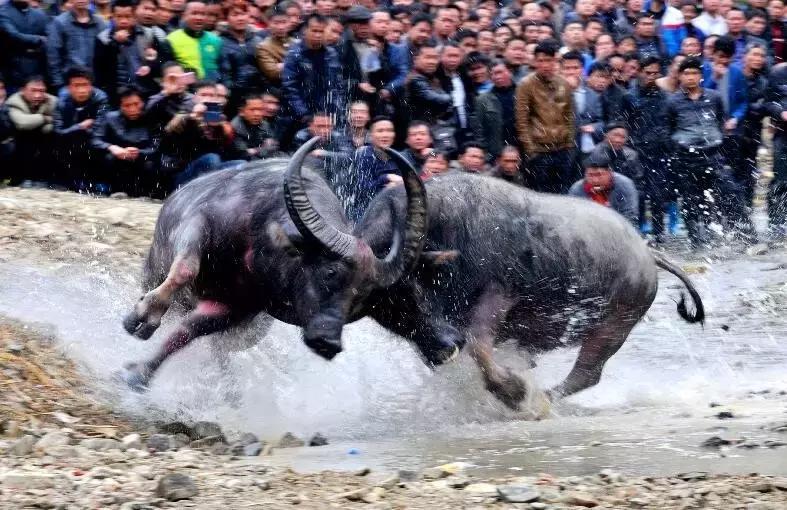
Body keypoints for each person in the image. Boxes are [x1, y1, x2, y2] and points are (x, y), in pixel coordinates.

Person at [666, 56, 727, 248]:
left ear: (700, 76)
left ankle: (712, 234)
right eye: (686, 73)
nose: (690, 77)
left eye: (694, 73)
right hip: (686, 158)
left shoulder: (714, 97)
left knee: (714, 196)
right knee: (690, 199)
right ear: (680, 76)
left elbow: (719, 123)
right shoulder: (673, 102)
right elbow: (669, 129)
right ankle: (695, 240)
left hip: (711, 155)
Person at [622, 55, 672, 241]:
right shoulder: (629, 97)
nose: (651, 76)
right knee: (638, 193)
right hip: (636, 151)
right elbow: (624, 123)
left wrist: (666, 142)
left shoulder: (665, 97)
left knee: (659, 193)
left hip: (659, 151)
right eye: (647, 72)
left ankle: (659, 231)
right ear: (640, 72)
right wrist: (630, 146)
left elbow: (668, 123)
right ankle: (640, 230)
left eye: (655, 73)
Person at [516, 39, 575, 193]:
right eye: (540, 60)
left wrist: (569, 145)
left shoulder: (564, 84)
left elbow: (569, 115)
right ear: (535, 62)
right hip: (539, 151)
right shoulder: (526, 85)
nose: (545, 65)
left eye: (548, 60)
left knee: (561, 193)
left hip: (562, 150)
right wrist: (531, 151)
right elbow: (522, 121)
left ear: (555, 60)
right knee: (540, 196)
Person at [162, 79, 238, 189]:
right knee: (211, 159)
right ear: (195, 97)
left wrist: (221, 129)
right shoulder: (183, 115)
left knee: (240, 165)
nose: (208, 98)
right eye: (203, 95)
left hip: (208, 172)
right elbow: (171, 140)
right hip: (182, 174)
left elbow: (229, 153)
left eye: (212, 95)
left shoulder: (218, 119)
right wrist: (194, 119)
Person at [94, 0, 172, 105]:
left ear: (134, 17)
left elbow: (164, 60)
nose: (123, 21)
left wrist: (150, 66)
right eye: (119, 17)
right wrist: (114, 43)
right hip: (117, 95)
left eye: (128, 16)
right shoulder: (103, 39)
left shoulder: (148, 35)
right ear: (112, 17)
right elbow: (100, 70)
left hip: (146, 93)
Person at [281, 14, 345, 128]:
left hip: (326, 114)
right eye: (314, 31)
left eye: (321, 31)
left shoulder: (331, 54)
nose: (318, 35)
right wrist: (304, 114)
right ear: (305, 30)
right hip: (298, 116)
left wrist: (334, 110)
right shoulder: (294, 54)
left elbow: (336, 85)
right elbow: (289, 87)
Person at [91, 86, 158, 196]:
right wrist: (112, 147)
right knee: (107, 157)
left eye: (136, 104)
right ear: (120, 106)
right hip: (116, 163)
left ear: (143, 102)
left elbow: (157, 147)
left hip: (142, 162)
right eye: (127, 105)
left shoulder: (152, 119)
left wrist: (139, 152)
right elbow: (95, 140)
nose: (132, 109)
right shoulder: (109, 117)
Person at [53, 66, 109, 191]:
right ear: (68, 87)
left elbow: (100, 129)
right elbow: (58, 131)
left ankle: (97, 181)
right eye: (76, 85)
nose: (82, 90)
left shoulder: (101, 98)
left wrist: (82, 130)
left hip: (93, 142)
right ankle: (71, 181)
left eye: (85, 85)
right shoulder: (62, 101)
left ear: (91, 85)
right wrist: (79, 126)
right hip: (69, 142)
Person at [6, 75, 57, 185]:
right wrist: (45, 118)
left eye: (41, 91)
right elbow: (22, 123)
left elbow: (59, 122)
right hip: (18, 142)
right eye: (33, 90)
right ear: (23, 90)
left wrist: (45, 126)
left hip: (43, 139)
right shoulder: (14, 101)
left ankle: (45, 179)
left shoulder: (52, 101)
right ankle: (18, 179)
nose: (38, 95)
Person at [47, 0, 107, 90]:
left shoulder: (100, 23)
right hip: (69, 84)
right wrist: (59, 84)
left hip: (95, 84)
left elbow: (107, 55)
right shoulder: (59, 23)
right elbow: (53, 56)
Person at [349, 116, 400, 219]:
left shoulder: (399, 157)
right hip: (366, 213)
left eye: (389, 131)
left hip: (393, 211)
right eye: (380, 131)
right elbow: (362, 189)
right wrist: (386, 177)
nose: (385, 135)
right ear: (371, 135)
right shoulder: (363, 155)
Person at [568, 152, 639, 225]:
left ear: (610, 172)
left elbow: (630, 217)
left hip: (618, 229)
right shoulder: (576, 190)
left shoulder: (625, 185)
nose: (595, 180)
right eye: (590, 175)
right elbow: (572, 218)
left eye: (599, 175)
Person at [219, 4, 264, 114]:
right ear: (227, 18)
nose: (240, 18)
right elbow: (224, 74)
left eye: (243, 14)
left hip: (258, 96)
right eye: (235, 14)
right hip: (233, 98)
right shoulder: (220, 42)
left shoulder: (258, 40)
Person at [0, 0, 49, 92]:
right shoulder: (3, 12)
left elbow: (49, 38)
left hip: (37, 70)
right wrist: (39, 39)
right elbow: (13, 35)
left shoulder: (39, 14)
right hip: (13, 71)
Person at [166, 1, 222, 81]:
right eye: (194, 13)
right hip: (187, 89)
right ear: (184, 16)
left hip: (213, 89)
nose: (199, 18)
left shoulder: (216, 40)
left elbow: (223, 69)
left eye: (203, 14)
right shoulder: (171, 39)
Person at [474, 60, 516, 161]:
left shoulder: (523, 93)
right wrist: (486, 153)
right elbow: (479, 129)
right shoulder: (482, 99)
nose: (496, 77)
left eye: (499, 72)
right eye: (492, 74)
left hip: (521, 149)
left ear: (510, 71)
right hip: (496, 153)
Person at [764, 63, 787, 241]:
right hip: (783, 134)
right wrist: (781, 113)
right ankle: (776, 225)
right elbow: (768, 102)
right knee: (780, 182)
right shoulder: (778, 72)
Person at [406, 42, 453, 126]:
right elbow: (439, 99)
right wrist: (451, 98)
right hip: (417, 129)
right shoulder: (415, 79)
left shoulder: (431, 78)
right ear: (415, 59)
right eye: (428, 57)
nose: (432, 62)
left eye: (435, 58)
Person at [230, 92, 280, 161]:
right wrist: (263, 148)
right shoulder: (234, 127)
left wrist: (255, 150)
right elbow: (243, 153)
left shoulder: (264, 123)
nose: (257, 114)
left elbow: (273, 146)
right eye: (252, 110)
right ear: (241, 111)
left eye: (260, 109)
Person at [255, 4, 291, 86]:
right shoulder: (263, 47)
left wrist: (282, 65)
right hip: (277, 88)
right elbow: (273, 72)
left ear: (289, 23)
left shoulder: (296, 42)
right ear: (269, 24)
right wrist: (295, 62)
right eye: (276, 23)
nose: (280, 27)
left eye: (284, 22)